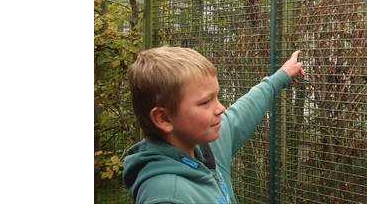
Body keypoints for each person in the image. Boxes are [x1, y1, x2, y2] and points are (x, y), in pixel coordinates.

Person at [122, 47, 305, 204]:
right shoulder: (167, 195)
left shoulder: (204, 147)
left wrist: (280, 77)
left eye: (216, 97)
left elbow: (242, 113)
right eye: (205, 102)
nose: (221, 108)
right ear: (163, 118)